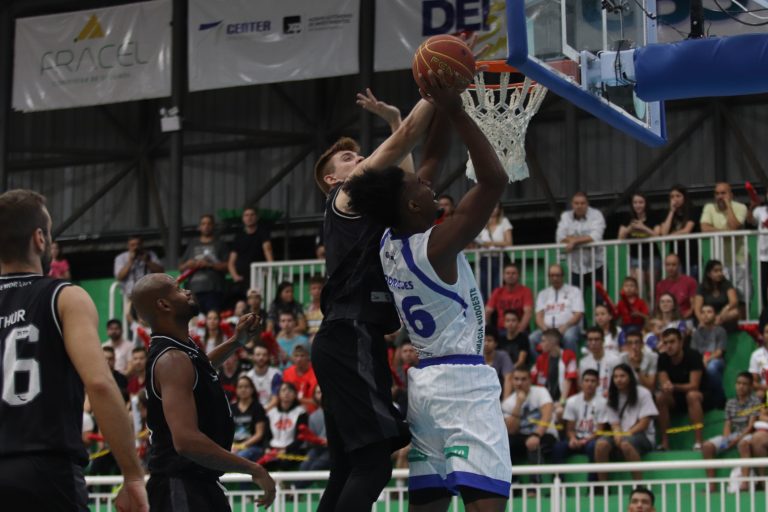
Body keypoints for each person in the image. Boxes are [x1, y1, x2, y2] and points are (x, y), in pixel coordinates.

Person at [343, 70, 512, 509]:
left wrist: (437, 99)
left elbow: (433, 155)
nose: (428, 181)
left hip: (424, 391)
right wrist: (455, 109)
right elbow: (494, 181)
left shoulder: (389, 239)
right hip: (463, 385)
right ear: (415, 204)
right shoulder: (436, 246)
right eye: (420, 184)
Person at [311, 85, 436, 511]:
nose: (360, 158)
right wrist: (436, 87)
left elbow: (407, 183)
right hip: (349, 333)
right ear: (333, 179)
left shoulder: (369, 209)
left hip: (345, 337)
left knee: (347, 468)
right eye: (349, 158)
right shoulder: (343, 198)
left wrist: (395, 118)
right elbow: (405, 141)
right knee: (374, 465)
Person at [0, 189, 148, 511]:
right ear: (40, 238)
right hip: (45, 471)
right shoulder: (65, 296)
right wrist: (133, 476)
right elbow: (99, 384)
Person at [131, 273, 275, 511]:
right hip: (180, 486)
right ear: (164, 304)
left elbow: (200, 367)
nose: (188, 292)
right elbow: (186, 442)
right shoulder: (172, 359)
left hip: (197, 484)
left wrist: (236, 341)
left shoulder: (181, 350)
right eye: (178, 289)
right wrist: (253, 468)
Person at [594, 364, 658, 483]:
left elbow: (644, 423)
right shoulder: (612, 396)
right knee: (600, 444)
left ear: (630, 377)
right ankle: (603, 485)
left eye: (622, 376)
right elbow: (614, 424)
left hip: (642, 435)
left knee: (626, 444)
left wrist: (625, 435)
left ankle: (638, 485)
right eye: (615, 377)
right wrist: (618, 434)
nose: (618, 379)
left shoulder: (643, 393)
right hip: (621, 434)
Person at [701, 372, 761, 491]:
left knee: (743, 444)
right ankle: (711, 485)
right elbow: (727, 424)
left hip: (748, 434)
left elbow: (750, 426)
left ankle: (745, 483)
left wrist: (735, 440)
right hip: (734, 434)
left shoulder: (755, 402)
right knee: (707, 446)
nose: (741, 386)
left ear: (750, 387)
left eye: (744, 384)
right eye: (739, 383)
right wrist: (726, 439)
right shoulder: (730, 402)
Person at [502, 369, 558, 486]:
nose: (519, 383)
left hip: (545, 433)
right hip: (522, 436)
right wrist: (518, 404)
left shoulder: (540, 392)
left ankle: (535, 485)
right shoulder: (508, 403)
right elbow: (512, 430)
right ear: (512, 381)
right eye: (516, 379)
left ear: (530, 380)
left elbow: (547, 414)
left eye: (523, 379)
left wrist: (536, 435)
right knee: (505, 443)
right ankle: (514, 482)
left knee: (533, 443)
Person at [655, 328, 708, 450]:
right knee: (660, 397)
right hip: (676, 396)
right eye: (665, 343)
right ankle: (665, 442)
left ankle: (698, 441)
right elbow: (664, 383)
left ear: (681, 342)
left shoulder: (693, 356)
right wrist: (667, 386)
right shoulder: (662, 358)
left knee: (692, 395)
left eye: (672, 342)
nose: (669, 346)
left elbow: (694, 385)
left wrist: (673, 386)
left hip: (701, 395)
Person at [551, 369, 607, 475]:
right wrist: (573, 439)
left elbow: (600, 431)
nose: (589, 384)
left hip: (592, 439)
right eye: (586, 380)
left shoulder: (603, 403)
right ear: (581, 383)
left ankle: (592, 484)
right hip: (576, 438)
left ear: (598, 384)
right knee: (558, 447)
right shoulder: (572, 401)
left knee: (593, 447)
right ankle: (558, 481)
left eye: (593, 381)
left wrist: (585, 441)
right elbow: (570, 429)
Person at [700, 182, 749, 298]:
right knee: (722, 296)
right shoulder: (709, 207)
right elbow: (704, 228)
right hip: (720, 262)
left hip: (740, 260)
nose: (719, 196)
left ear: (731, 195)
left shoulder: (741, 207)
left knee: (743, 297)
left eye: (723, 193)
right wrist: (725, 232)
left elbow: (733, 226)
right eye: (717, 193)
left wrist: (728, 206)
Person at [529, 264, 584, 356]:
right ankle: (540, 363)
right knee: (532, 338)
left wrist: (565, 326)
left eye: (558, 275)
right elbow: (538, 316)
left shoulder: (574, 291)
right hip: (547, 329)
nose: (555, 278)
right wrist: (545, 329)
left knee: (569, 337)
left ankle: (570, 363)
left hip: (568, 328)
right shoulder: (543, 294)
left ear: (563, 276)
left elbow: (578, 314)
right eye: (552, 275)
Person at [179, 214, 229, 314]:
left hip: (214, 289)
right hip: (193, 290)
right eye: (203, 224)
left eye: (209, 224)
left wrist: (209, 265)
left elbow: (228, 266)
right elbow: (181, 267)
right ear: (200, 226)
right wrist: (188, 264)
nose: (206, 226)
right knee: (195, 320)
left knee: (212, 318)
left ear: (213, 226)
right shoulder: (193, 244)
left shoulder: (220, 244)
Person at [556, 192, 606, 288]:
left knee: (600, 296)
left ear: (587, 204)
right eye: (576, 203)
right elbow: (560, 237)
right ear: (572, 204)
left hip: (597, 265)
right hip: (575, 268)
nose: (579, 206)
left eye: (582, 203)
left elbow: (596, 237)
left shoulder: (596, 214)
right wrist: (585, 239)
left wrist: (574, 241)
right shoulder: (565, 216)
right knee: (575, 297)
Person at [617, 193, 661, 297]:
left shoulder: (653, 216)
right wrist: (629, 228)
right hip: (635, 257)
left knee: (652, 291)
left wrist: (643, 227)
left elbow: (658, 235)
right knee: (639, 289)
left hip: (652, 256)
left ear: (646, 203)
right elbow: (620, 237)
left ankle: (652, 308)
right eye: (635, 202)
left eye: (641, 202)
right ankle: (642, 307)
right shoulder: (628, 217)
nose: (638, 205)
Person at [530, 328, 579, 419]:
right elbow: (532, 380)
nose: (540, 344)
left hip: (565, 401)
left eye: (543, 341)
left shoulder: (569, 355)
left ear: (552, 342)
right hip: (546, 401)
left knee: (559, 412)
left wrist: (562, 402)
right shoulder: (541, 359)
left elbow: (568, 380)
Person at [228, 206, 274, 301]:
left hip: (258, 276)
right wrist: (235, 276)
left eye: (252, 215)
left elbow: (268, 250)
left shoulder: (263, 233)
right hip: (242, 278)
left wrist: (270, 269)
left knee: (258, 301)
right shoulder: (239, 236)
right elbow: (231, 262)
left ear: (257, 217)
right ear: (243, 218)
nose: (249, 217)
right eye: (246, 215)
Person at [114, 235, 164, 317]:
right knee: (131, 321)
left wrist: (147, 261)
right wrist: (130, 261)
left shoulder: (150, 255)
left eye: (138, 244)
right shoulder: (121, 258)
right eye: (133, 245)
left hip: (148, 296)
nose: (136, 247)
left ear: (142, 245)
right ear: (128, 246)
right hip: (129, 297)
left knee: (150, 319)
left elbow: (161, 271)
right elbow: (119, 276)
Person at [263, 382, 309, 471]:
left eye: (290, 391)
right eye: (283, 390)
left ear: (295, 394)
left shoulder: (301, 412)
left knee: (283, 463)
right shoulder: (271, 413)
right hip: (273, 449)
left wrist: (286, 450)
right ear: (279, 394)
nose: (287, 393)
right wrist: (267, 448)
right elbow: (266, 436)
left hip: (292, 450)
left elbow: (301, 438)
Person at [691, 304, 728, 407]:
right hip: (699, 359)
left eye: (709, 312)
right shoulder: (696, 333)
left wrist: (706, 360)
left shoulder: (720, 331)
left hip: (715, 359)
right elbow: (694, 352)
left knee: (711, 368)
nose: (706, 315)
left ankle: (720, 398)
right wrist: (701, 360)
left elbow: (719, 352)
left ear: (715, 315)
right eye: (703, 312)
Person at [475, 202, 514, 299]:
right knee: (483, 287)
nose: (493, 208)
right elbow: (476, 242)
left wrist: (490, 243)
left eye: (495, 206)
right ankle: (486, 308)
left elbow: (509, 242)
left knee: (497, 287)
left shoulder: (504, 221)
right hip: (484, 260)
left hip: (498, 259)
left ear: (499, 209)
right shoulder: (481, 223)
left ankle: (496, 308)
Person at [655, 184, 697, 274]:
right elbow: (664, 233)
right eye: (672, 197)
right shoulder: (666, 213)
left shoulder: (691, 210)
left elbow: (686, 230)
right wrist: (671, 211)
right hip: (675, 258)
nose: (675, 199)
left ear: (684, 197)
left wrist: (670, 236)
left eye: (678, 196)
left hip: (691, 256)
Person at [485, 262, 533, 337]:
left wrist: (518, 332)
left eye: (513, 273)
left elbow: (528, 312)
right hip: (501, 330)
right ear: (503, 276)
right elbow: (487, 311)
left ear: (518, 275)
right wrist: (491, 330)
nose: (510, 276)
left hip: (520, 330)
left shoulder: (525, 291)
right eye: (508, 273)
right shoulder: (498, 292)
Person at [693, 259, 740, 331]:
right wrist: (701, 321)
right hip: (707, 315)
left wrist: (725, 309)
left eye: (721, 270)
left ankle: (712, 325)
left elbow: (734, 301)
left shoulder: (727, 284)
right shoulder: (702, 287)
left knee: (735, 312)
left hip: (722, 316)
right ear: (708, 274)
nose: (719, 273)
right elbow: (697, 309)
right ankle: (710, 325)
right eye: (716, 271)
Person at [231, 375, 268, 463]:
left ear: (252, 389)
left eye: (246, 386)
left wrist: (241, 446)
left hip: (254, 447)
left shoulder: (258, 408)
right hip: (234, 446)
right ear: (236, 390)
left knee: (239, 457)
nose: (243, 389)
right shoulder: (231, 408)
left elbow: (259, 434)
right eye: (240, 387)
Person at [580, 326, 622, 397]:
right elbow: (583, 387)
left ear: (603, 341)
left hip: (612, 397)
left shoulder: (615, 359)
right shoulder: (583, 363)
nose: (593, 343)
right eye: (590, 340)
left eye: (596, 339)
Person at [654, 253, 697, 321]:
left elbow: (693, 306)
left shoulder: (690, 281)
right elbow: (658, 307)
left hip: (685, 319)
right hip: (666, 319)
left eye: (674, 265)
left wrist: (681, 319)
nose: (670, 268)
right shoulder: (660, 285)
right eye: (668, 265)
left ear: (679, 266)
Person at [282, 345, 318, 413]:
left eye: (302, 356)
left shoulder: (316, 373)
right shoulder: (287, 373)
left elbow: (318, 400)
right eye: (296, 356)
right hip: (291, 410)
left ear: (308, 357)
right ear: (292, 357)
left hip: (313, 411)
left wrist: (297, 399)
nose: (299, 359)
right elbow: (283, 396)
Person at [246, 343, 282, 412]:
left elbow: (276, 399)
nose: (261, 358)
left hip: (272, 409)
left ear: (268, 357)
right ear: (253, 357)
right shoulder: (248, 376)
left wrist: (262, 412)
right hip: (253, 410)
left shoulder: (275, 374)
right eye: (258, 355)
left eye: (264, 355)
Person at [748, 187, 768, 305]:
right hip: (763, 256)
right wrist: (751, 208)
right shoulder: (759, 210)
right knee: (763, 287)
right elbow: (750, 221)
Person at [483, 328, 515, 400]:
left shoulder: (503, 356)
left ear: (496, 343)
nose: (486, 343)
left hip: (500, 397)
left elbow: (508, 378)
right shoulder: (476, 358)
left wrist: (505, 402)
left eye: (489, 340)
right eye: (483, 340)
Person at [305, 274, 325, 342]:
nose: (317, 291)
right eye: (313, 288)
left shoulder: (328, 307)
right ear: (309, 291)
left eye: (320, 288)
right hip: (309, 339)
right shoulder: (306, 308)